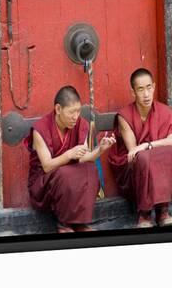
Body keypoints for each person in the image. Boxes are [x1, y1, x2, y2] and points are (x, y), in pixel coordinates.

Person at [23, 85, 116, 234]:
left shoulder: (81, 125)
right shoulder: (40, 129)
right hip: (43, 183)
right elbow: (47, 166)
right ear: (58, 109)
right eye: (71, 112)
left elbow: (83, 158)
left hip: (68, 174)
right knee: (65, 174)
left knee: (90, 170)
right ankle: (64, 224)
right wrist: (69, 155)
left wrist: (100, 150)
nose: (75, 117)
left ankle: (81, 222)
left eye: (78, 111)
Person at [108, 68, 172, 228]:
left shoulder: (164, 111)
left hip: (154, 160)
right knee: (143, 157)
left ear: (154, 86)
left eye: (149, 87)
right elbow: (133, 151)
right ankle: (145, 213)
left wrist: (148, 145)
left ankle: (163, 210)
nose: (146, 94)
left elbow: (171, 142)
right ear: (133, 92)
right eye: (141, 89)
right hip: (134, 168)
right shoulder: (124, 116)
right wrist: (144, 148)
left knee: (169, 153)